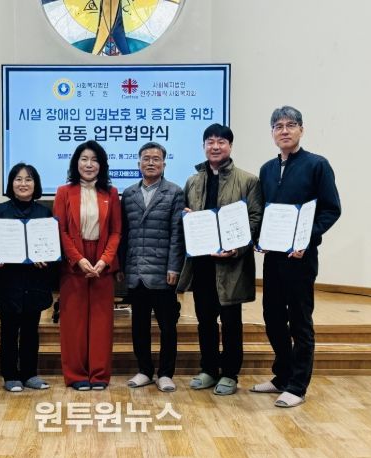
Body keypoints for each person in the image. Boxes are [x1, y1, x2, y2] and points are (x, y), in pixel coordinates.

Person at [251, 106, 341, 408]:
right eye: (278, 126)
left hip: (301, 258)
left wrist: (306, 238)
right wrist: (259, 238)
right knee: (273, 318)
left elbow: (331, 209)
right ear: (272, 133)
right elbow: (263, 212)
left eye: (291, 125)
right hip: (273, 257)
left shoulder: (317, 165)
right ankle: (282, 376)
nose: (285, 131)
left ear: (301, 129)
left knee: (300, 321)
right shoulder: (266, 169)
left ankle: (298, 385)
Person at [177, 123, 263, 396]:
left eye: (221, 142)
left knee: (231, 321)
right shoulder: (193, 181)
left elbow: (255, 219)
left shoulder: (248, 180)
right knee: (205, 320)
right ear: (204, 146)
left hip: (232, 264)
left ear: (230, 146)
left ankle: (229, 374)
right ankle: (209, 369)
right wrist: (187, 218)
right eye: (210, 142)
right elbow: (186, 218)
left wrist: (236, 248)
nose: (215, 147)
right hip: (202, 262)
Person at [53, 140, 121, 391]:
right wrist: (79, 259)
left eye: (94, 160)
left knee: (102, 322)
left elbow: (116, 231)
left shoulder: (111, 193)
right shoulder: (64, 192)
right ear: (76, 163)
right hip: (74, 262)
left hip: (102, 261)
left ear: (101, 165)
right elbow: (60, 230)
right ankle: (76, 375)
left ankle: (99, 375)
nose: (89, 164)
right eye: (84, 159)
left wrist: (104, 260)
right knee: (74, 322)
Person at [118, 142, 185, 392]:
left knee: (167, 326)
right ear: (138, 163)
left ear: (164, 164)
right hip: (136, 271)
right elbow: (124, 234)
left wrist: (174, 267)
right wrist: (122, 265)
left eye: (156, 159)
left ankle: (166, 373)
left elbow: (177, 234)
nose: (151, 163)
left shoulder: (174, 192)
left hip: (162, 271)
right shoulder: (129, 194)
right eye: (146, 158)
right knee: (139, 326)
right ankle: (144, 370)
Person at [0, 163, 55, 392]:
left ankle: (30, 374)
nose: (23, 183)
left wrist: (46, 257)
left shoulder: (44, 213)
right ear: (11, 183)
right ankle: (10, 376)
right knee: (8, 331)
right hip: (8, 281)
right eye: (18, 179)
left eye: (28, 179)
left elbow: (50, 246)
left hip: (34, 281)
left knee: (30, 331)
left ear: (35, 184)